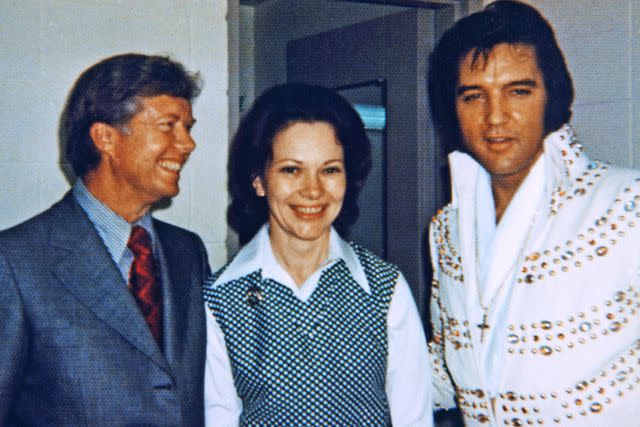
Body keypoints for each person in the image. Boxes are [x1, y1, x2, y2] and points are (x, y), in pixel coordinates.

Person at [427, 1, 640, 425]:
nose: (495, 117)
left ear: (552, 95)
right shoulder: (446, 230)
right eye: (473, 96)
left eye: (518, 91)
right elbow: (447, 369)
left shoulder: (626, 204)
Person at [203, 83, 432, 426]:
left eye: (329, 170)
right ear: (259, 180)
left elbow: (414, 420)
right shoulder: (220, 299)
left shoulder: (385, 288)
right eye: (291, 169)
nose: (312, 190)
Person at [0, 53, 211, 425]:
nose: (188, 144)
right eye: (169, 125)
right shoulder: (16, 262)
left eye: (188, 127)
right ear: (106, 138)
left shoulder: (187, 252)